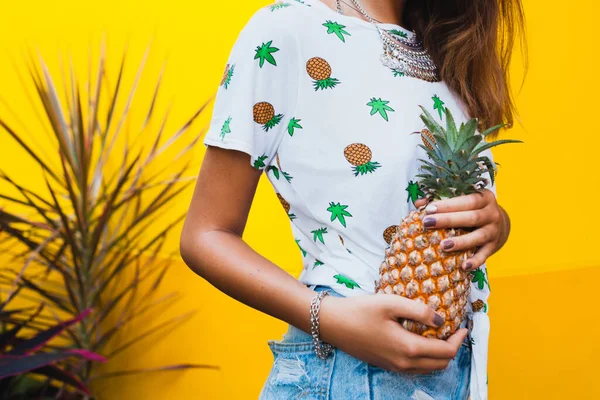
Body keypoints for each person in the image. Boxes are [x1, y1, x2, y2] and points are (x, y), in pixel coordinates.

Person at [179, 0, 525, 398]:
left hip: (454, 372)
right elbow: (205, 234)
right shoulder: (287, 28)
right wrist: (332, 320)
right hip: (345, 370)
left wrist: (496, 224)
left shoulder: (445, 47)